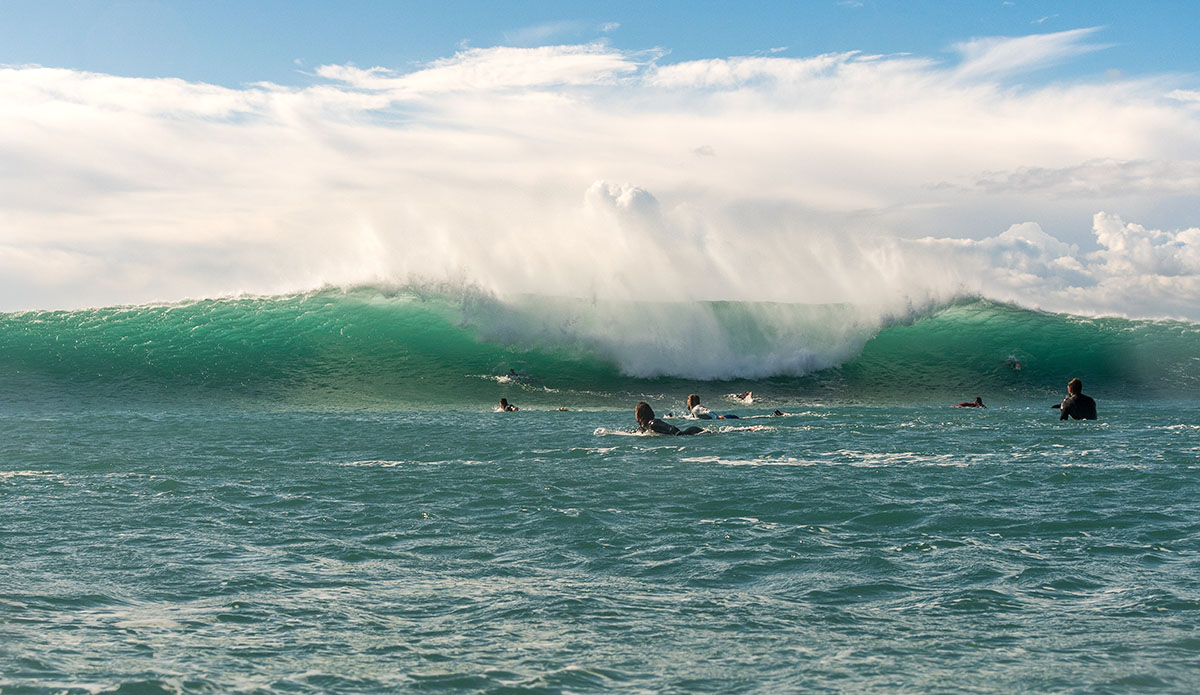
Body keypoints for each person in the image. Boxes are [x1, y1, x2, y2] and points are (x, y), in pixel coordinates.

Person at [636, 401, 704, 435]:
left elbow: (672, 428)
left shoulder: (654, 423)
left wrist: (679, 436)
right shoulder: (644, 427)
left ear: (640, 414)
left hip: (691, 432)